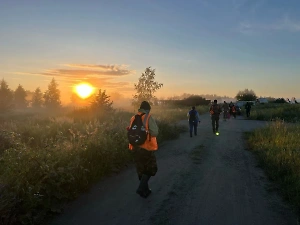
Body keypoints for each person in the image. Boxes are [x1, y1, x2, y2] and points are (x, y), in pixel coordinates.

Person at [127, 101, 159, 198]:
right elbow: (155, 132)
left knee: (141, 169)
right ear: (148, 109)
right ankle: (141, 188)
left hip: (135, 147)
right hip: (146, 148)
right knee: (151, 169)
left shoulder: (133, 118)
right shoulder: (148, 117)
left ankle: (145, 191)